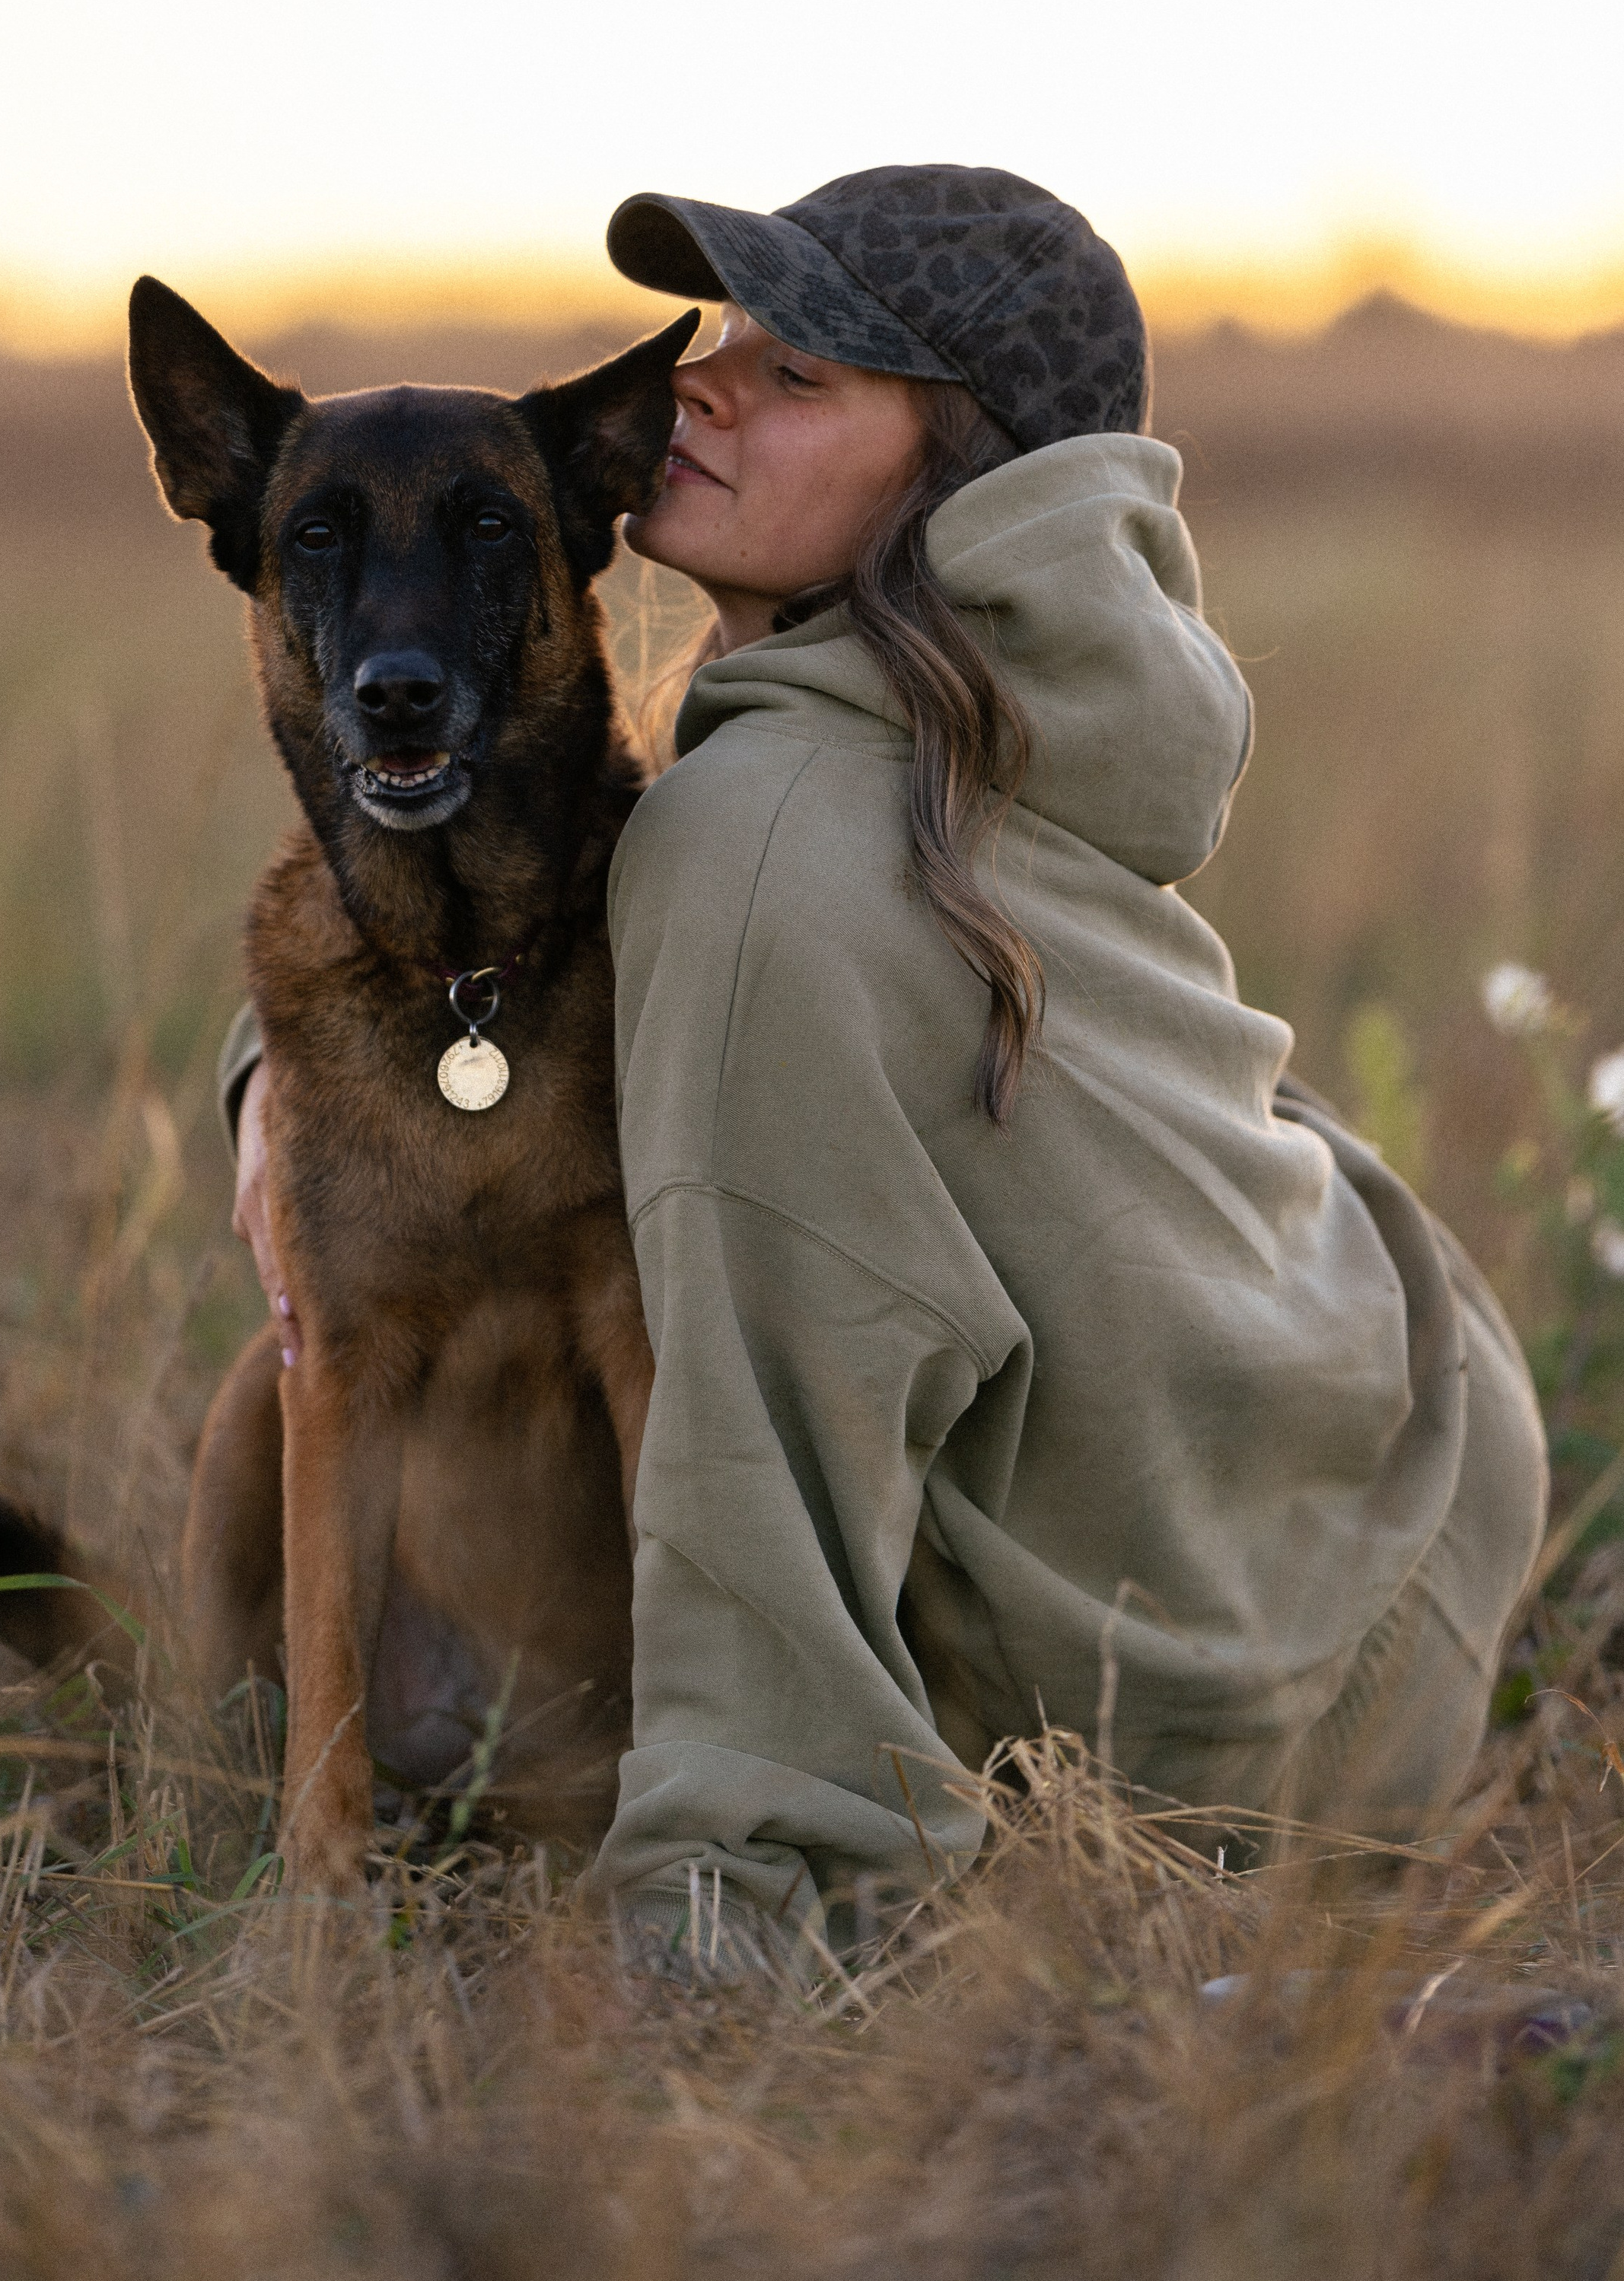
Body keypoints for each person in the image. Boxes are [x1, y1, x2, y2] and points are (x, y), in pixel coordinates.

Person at [228, 164, 1548, 1970]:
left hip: (1181, 1729)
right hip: (1408, 1465)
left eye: (796, 380)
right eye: (723, 347)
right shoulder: (1022, 711)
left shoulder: (756, 840)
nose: (700, 385)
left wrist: (725, 1882)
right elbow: (530, 905)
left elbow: (774, 1379)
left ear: (953, 469)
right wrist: (278, 1076)